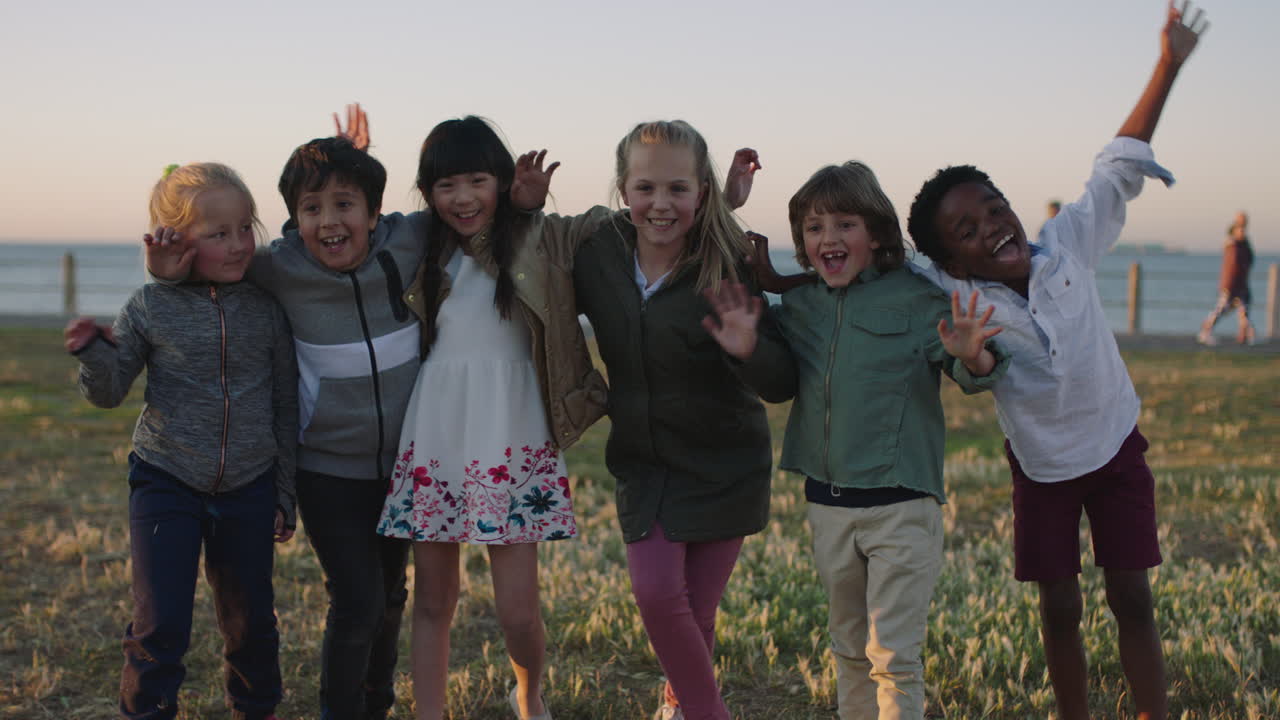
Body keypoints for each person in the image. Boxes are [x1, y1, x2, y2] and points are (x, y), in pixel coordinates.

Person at [144, 106, 552, 720]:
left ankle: (377, 704)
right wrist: (162, 270)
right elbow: (217, 258)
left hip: (407, 462)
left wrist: (523, 206)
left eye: (345, 206)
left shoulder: (408, 240)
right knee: (358, 601)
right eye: (312, 209)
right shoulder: (279, 267)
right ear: (292, 219)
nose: (330, 222)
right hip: (329, 469)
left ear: (374, 212)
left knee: (390, 599)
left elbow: (476, 219)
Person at [903, 4, 1208, 718]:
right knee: (1060, 608)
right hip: (1041, 470)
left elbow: (1114, 169)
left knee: (1132, 596)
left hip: (1116, 449)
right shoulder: (952, 291)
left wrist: (1167, 64)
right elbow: (877, 252)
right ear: (950, 257)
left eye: (994, 207)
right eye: (968, 231)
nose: (994, 228)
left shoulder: (1066, 245)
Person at [708, 161, 1008, 719]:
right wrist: (734, 217)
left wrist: (975, 354)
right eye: (815, 228)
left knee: (893, 655)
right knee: (848, 647)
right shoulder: (800, 307)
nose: (829, 238)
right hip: (828, 505)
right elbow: (764, 344)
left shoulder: (919, 300)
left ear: (876, 233)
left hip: (903, 506)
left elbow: (973, 372)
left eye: (845, 224)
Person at [374, 116, 612, 720]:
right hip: (438, 433)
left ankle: (529, 695)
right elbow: (343, 230)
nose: (462, 198)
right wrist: (352, 160)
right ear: (427, 192)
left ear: (503, 181)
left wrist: (529, 210)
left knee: (518, 612)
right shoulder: (422, 248)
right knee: (433, 600)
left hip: (512, 434)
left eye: (478, 180)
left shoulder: (539, 239)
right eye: (446, 184)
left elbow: (614, 224)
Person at [572, 120, 787, 720]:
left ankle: (677, 706)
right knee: (658, 594)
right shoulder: (597, 255)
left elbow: (780, 381)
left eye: (677, 189)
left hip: (726, 464)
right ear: (623, 189)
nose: (660, 204)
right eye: (645, 188)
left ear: (702, 192)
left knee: (696, 612)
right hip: (645, 466)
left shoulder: (727, 264)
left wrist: (749, 347)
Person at [70, 162, 296, 720]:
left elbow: (285, 406)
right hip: (165, 479)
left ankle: (255, 709)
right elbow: (107, 393)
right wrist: (94, 353)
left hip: (249, 485)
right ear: (177, 239)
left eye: (246, 227)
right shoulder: (151, 306)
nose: (241, 244)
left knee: (251, 624)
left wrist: (284, 492)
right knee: (160, 623)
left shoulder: (267, 309)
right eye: (219, 234)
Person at [1197, 211, 1256, 345]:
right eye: (1240, 230)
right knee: (1222, 309)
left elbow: (1249, 261)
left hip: (1240, 285)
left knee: (1243, 311)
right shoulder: (1232, 246)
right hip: (1231, 285)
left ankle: (1244, 337)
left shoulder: (1242, 245)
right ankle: (1205, 331)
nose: (1243, 233)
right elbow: (1235, 266)